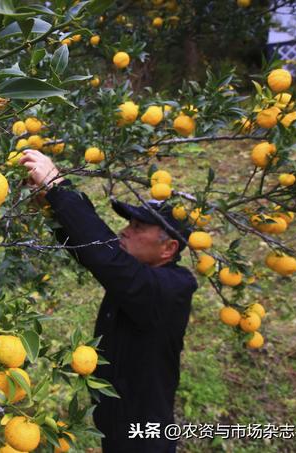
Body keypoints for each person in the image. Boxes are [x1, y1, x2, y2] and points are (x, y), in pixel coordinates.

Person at [20, 149, 198, 452]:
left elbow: (106, 258)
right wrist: (54, 210)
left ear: (168, 249)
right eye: (129, 224)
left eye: (138, 228)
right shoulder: (139, 273)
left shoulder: (170, 290)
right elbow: (93, 252)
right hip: (115, 421)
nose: (125, 231)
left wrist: (58, 188)